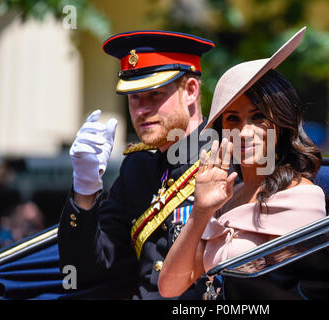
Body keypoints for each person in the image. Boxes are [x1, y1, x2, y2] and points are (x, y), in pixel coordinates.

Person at [158, 27, 327, 299]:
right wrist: (200, 212)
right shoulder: (225, 197)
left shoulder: (303, 198)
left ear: (281, 124)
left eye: (258, 116)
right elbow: (170, 287)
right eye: (233, 119)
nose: (245, 132)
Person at [57, 30, 216, 299]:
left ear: (190, 91)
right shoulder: (137, 168)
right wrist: (84, 189)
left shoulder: (225, 159)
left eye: (154, 95)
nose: (141, 110)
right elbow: (83, 271)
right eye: (134, 97)